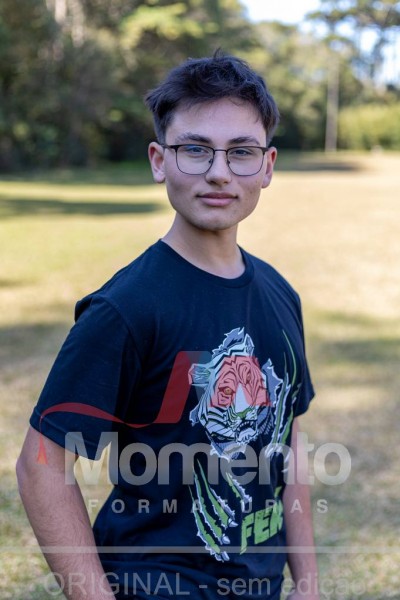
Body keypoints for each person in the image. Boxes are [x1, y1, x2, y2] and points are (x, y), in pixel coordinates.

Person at [17, 51, 320, 600]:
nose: (219, 172)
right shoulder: (127, 307)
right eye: (195, 149)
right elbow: (41, 465)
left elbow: (286, 439)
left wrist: (309, 584)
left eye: (241, 152)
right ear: (160, 160)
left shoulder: (280, 295)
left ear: (267, 166)